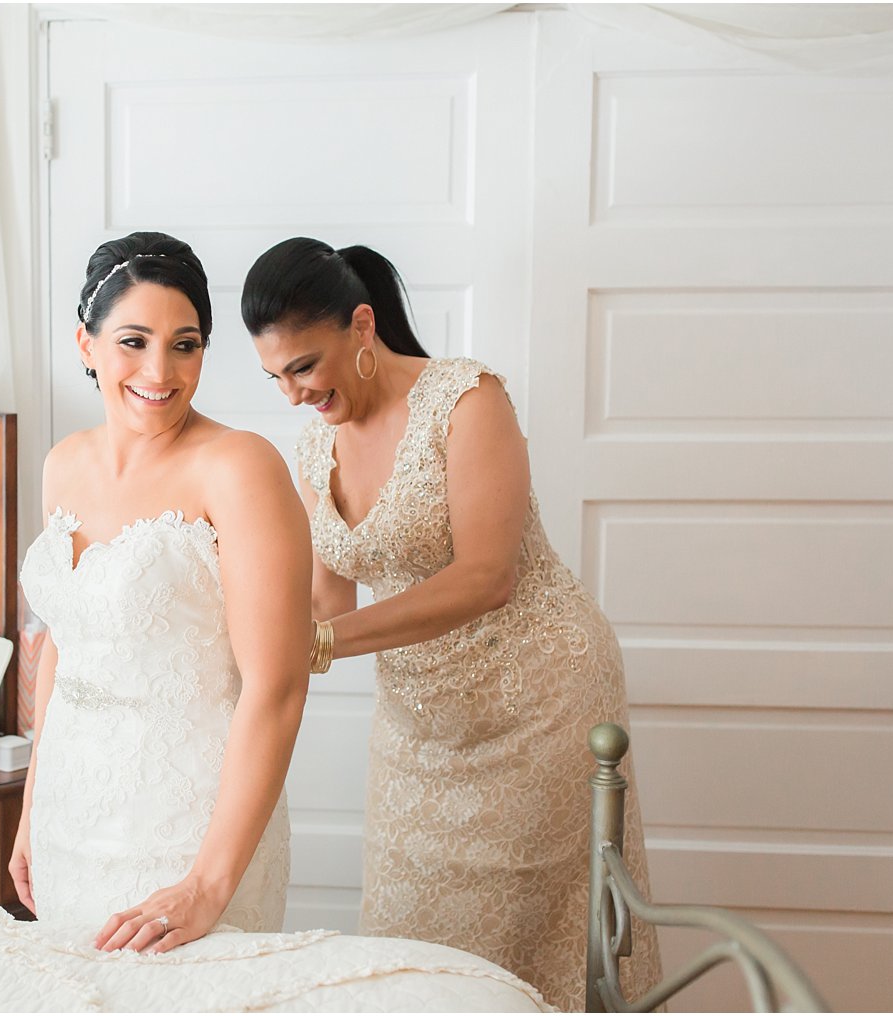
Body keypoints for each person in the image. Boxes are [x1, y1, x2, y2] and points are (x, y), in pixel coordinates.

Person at [242, 237, 662, 1009]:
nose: (293, 394)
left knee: (521, 955)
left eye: (304, 366)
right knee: (412, 956)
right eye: (275, 376)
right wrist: (239, 620)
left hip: (537, 705)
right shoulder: (312, 447)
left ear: (361, 326)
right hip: (418, 730)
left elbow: (486, 576)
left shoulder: (466, 399)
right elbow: (327, 603)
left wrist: (323, 643)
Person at [11, 231, 312, 954]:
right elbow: (65, 649)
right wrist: (29, 809)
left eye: (186, 344)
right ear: (86, 344)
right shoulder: (63, 465)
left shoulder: (240, 468)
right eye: (134, 341)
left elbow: (278, 687)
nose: (160, 369)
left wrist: (207, 885)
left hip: (187, 829)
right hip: (68, 815)